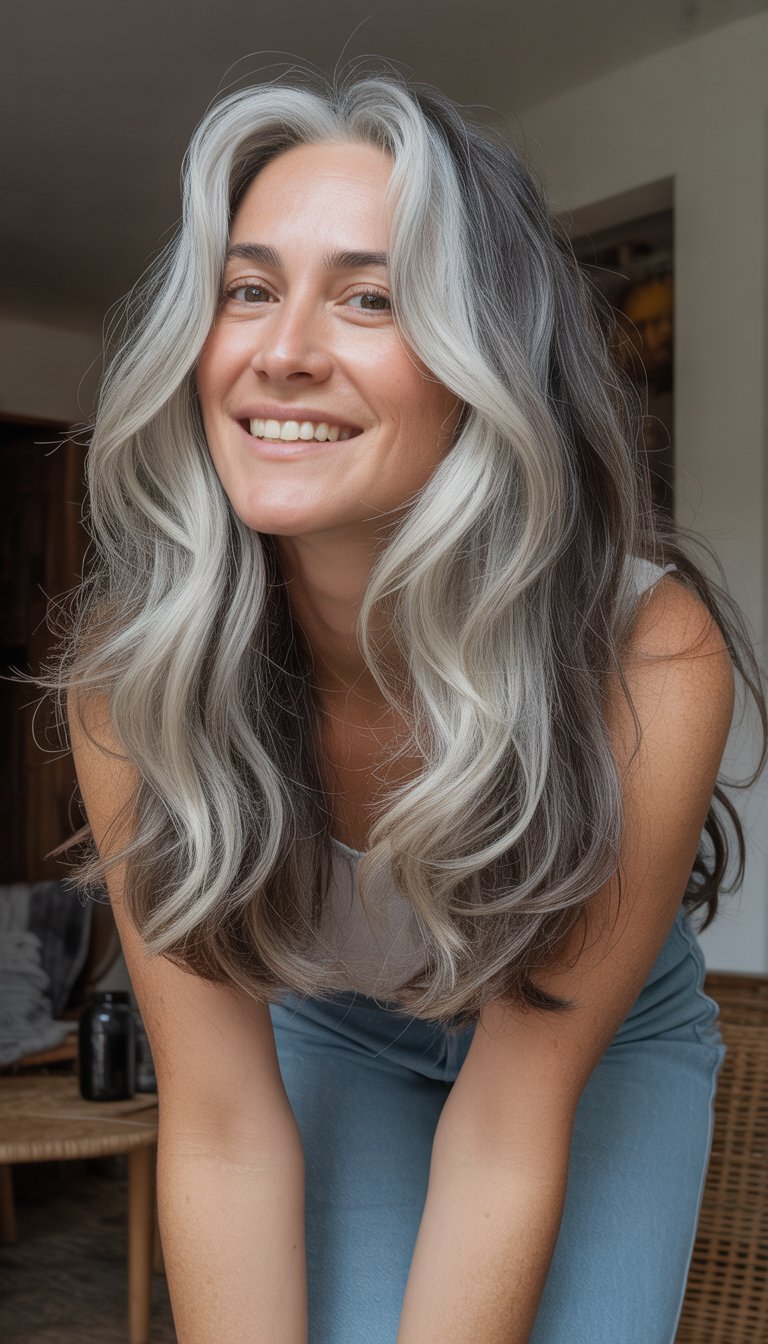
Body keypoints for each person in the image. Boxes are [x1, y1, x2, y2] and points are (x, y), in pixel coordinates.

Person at [47, 68, 766, 1344]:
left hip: (578, 1053)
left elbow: (509, 1120)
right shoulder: (133, 672)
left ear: (485, 360)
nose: (282, 351)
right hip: (336, 1022)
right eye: (249, 290)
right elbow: (218, 1130)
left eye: (370, 297)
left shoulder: (646, 652)